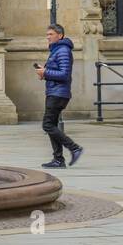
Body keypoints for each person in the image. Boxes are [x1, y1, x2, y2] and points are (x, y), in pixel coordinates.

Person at [37, 23, 83, 169]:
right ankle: (58, 160)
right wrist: (44, 73)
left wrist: (46, 73)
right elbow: (56, 71)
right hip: (55, 92)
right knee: (52, 125)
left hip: (58, 93)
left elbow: (64, 74)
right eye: (47, 35)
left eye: (50, 34)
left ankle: (74, 148)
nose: (47, 37)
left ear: (60, 35)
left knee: (47, 125)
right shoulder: (57, 50)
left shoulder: (63, 50)